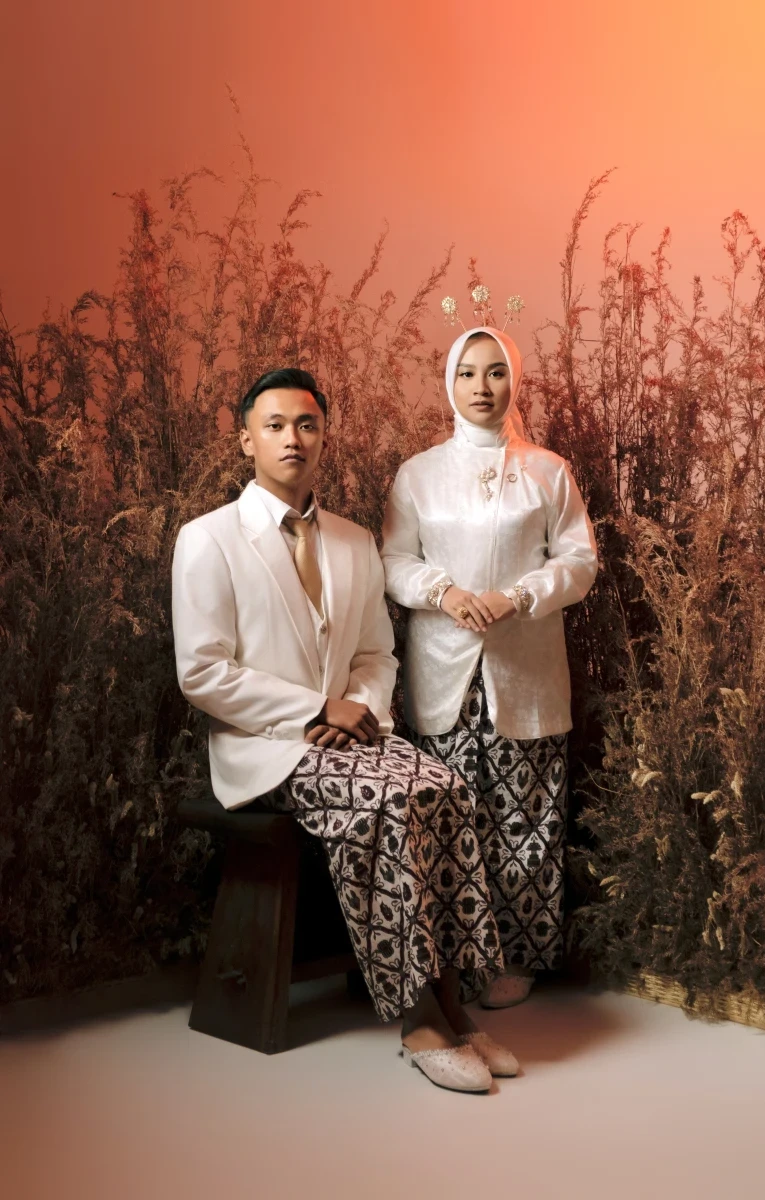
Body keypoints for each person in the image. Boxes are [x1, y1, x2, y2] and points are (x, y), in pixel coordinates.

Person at [171, 366, 518, 1092]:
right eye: (274, 426)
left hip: (351, 740)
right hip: (264, 749)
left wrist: (355, 711)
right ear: (246, 441)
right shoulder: (207, 540)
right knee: (389, 801)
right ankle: (419, 1021)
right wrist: (313, 710)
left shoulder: (355, 541)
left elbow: (375, 655)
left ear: (323, 436)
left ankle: (457, 1003)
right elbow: (202, 673)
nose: (292, 438)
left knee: (445, 787)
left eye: (307, 424)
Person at [381, 327, 598, 1009]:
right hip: (443, 668)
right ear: (449, 382)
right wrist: (442, 591)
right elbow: (393, 560)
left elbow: (580, 561)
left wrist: (519, 595)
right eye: (468, 373)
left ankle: (519, 959)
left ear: (514, 380)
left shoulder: (548, 471)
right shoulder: (417, 474)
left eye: (496, 372)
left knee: (524, 818)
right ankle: (450, 960)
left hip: (524, 669)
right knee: (447, 819)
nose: (482, 387)